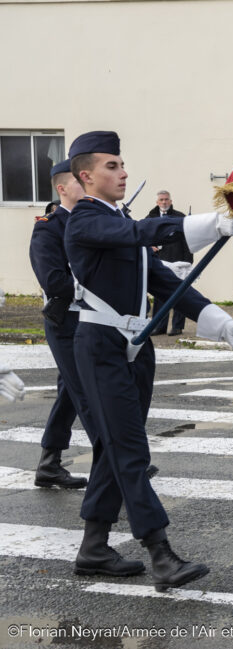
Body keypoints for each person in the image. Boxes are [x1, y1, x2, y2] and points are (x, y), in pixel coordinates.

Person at [64, 130, 233, 590]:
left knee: (114, 447)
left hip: (136, 348)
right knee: (130, 450)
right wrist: (212, 225)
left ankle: (93, 547)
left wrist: (217, 320)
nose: (123, 172)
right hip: (101, 347)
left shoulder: (118, 220)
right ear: (86, 176)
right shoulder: (86, 221)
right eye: (112, 166)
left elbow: (166, 284)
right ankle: (160, 553)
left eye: (123, 164)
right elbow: (135, 233)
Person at [27, 160, 90, 489]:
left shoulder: (95, 221)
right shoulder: (49, 227)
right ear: (62, 188)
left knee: (70, 390)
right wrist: (93, 282)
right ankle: (119, 462)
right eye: (81, 181)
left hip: (94, 319)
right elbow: (53, 280)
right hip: (66, 320)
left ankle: (49, 463)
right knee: (87, 390)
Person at [145, 191, 192, 335]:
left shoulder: (180, 217)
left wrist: (188, 261)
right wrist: (149, 247)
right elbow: (144, 236)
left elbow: (188, 240)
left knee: (179, 294)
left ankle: (177, 327)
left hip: (178, 260)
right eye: (161, 200)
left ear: (171, 201)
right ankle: (159, 326)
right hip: (159, 261)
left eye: (166, 200)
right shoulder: (150, 218)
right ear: (157, 203)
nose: (164, 202)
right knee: (160, 295)